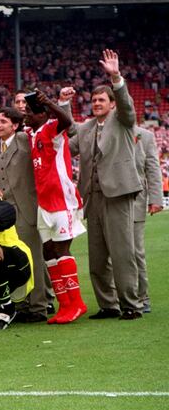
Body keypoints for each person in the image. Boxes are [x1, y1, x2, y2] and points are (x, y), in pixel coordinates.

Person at [68, 50, 143, 320]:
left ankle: (131, 305)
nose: (96, 103)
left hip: (118, 195)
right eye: (93, 100)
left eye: (101, 100)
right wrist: (64, 105)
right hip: (93, 197)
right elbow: (68, 145)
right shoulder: (87, 127)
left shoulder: (122, 120)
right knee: (97, 258)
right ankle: (108, 305)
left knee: (122, 254)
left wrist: (116, 78)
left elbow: (127, 105)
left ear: (111, 103)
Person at [0, 107, 50, 323]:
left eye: (3, 122)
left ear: (15, 125)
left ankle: (38, 306)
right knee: (12, 260)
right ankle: (19, 306)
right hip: (1, 216)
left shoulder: (25, 141)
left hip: (26, 209)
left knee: (33, 258)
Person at [24, 90, 87, 324]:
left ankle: (77, 303)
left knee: (62, 251)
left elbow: (67, 121)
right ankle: (64, 305)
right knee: (48, 252)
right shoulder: (32, 133)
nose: (26, 117)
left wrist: (49, 102)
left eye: (30, 113)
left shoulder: (52, 129)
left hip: (62, 200)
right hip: (44, 203)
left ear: (42, 115)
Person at [132, 125, 163, 312]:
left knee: (136, 251)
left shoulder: (145, 136)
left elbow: (152, 168)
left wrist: (156, 199)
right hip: (109, 202)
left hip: (136, 201)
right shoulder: (101, 132)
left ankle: (142, 297)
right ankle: (118, 298)